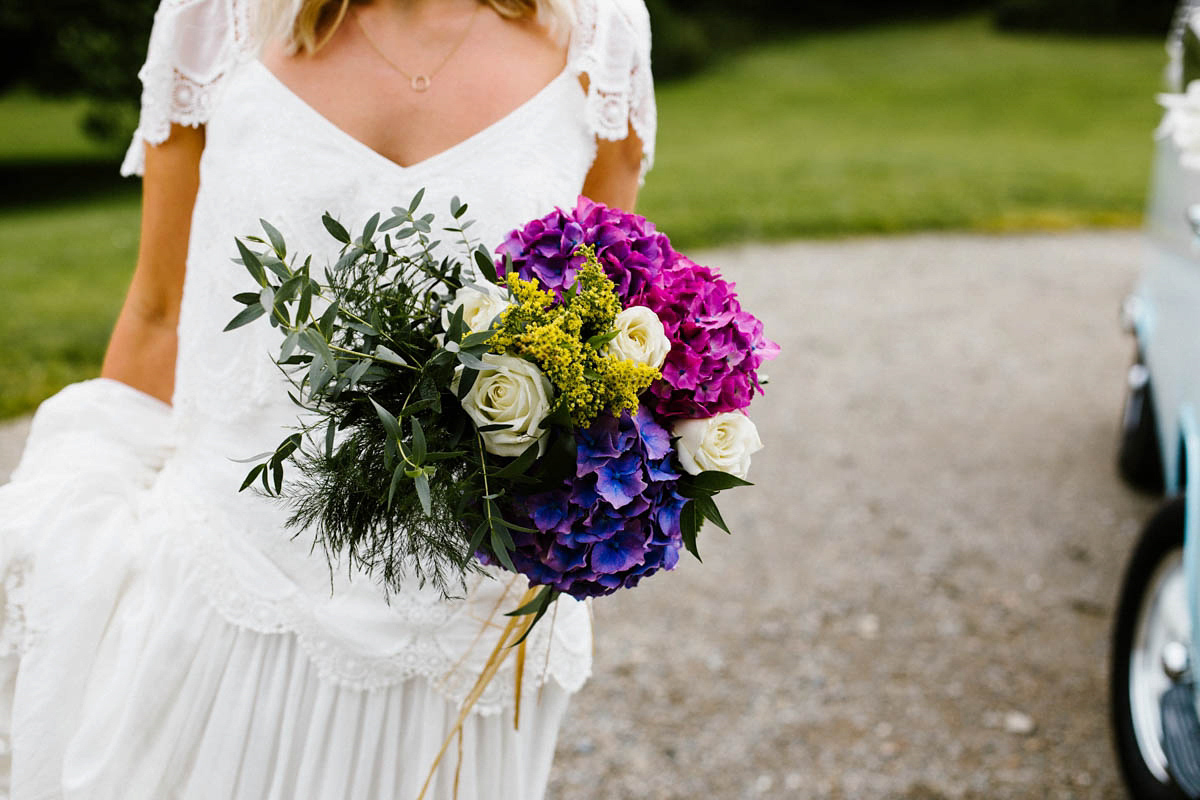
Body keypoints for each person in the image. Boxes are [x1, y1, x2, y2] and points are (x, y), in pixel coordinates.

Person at [0, 0, 655, 797]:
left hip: (459, 630)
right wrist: (87, 505)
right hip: (222, 592)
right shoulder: (216, 18)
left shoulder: (599, 34)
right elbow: (159, 308)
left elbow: (599, 335)